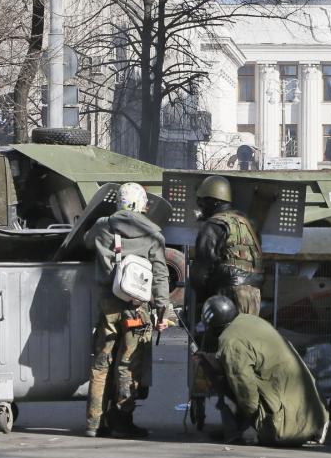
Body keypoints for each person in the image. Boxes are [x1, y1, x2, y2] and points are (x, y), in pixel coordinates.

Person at [83, 182, 171, 439]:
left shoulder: (102, 225)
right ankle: (122, 422)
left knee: (101, 363)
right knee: (128, 365)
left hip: (109, 305)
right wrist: (162, 310)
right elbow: (160, 274)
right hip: (137, 309)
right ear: (142, 204)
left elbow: (87, 244)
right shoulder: (154, 233)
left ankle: (93, 423)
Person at [196, 295, 329, 446]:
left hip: (288, 425)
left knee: (226, 377)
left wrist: (253, 421)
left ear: (214, 325)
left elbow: (244, 385)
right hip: (315, 413)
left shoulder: (230, 341)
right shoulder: (249, 320)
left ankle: (244, 428)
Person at [192, 176, 264, 315]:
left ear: (213, 202)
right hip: (253, 292)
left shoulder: (213, 225)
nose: (200, 207)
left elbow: (201, 271)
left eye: (202, 203)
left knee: (222, 335)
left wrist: (199, 303)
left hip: (227, 293)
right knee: (243, 335)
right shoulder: (247, 223)